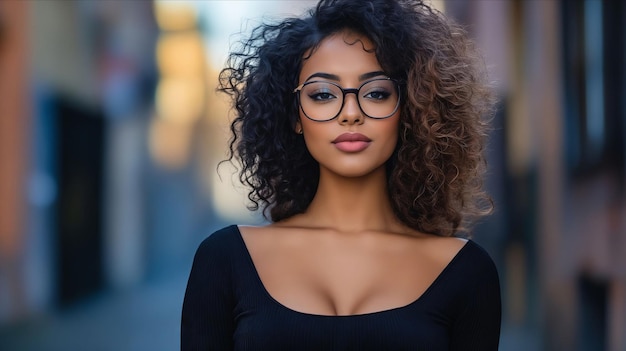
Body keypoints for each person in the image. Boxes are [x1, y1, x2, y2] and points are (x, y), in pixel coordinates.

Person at [181, 0, 501, 349]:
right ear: (294, 117)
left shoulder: (466, 272)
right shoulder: (225, 259)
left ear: (409, 108)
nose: (350, 113)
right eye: (323, 94)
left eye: (377, 93)